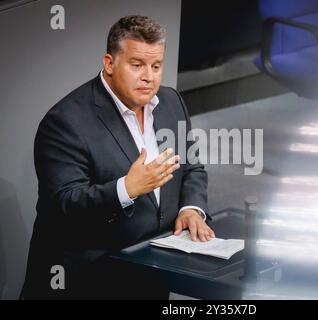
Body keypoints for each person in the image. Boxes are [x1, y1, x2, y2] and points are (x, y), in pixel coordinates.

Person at [21, 15, 214, 299]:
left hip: (150, 272)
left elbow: (192, 167)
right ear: (110, 64)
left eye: (156, 66)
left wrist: (190, 209)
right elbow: (63, 205)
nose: (149, 76)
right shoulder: (65, 122)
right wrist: (127, 188)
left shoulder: (171, 102)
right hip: (86, 281)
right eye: (137, 65)